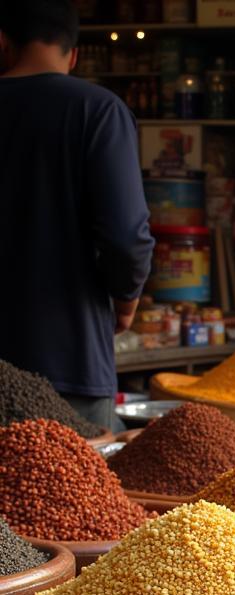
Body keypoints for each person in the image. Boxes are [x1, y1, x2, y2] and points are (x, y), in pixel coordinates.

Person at [0, 0, 153, 431]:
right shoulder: (97, 110)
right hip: (69, 360)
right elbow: (126, 236)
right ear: (74, 54)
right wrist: (126, 299)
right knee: (72, 494)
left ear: (4, 44)